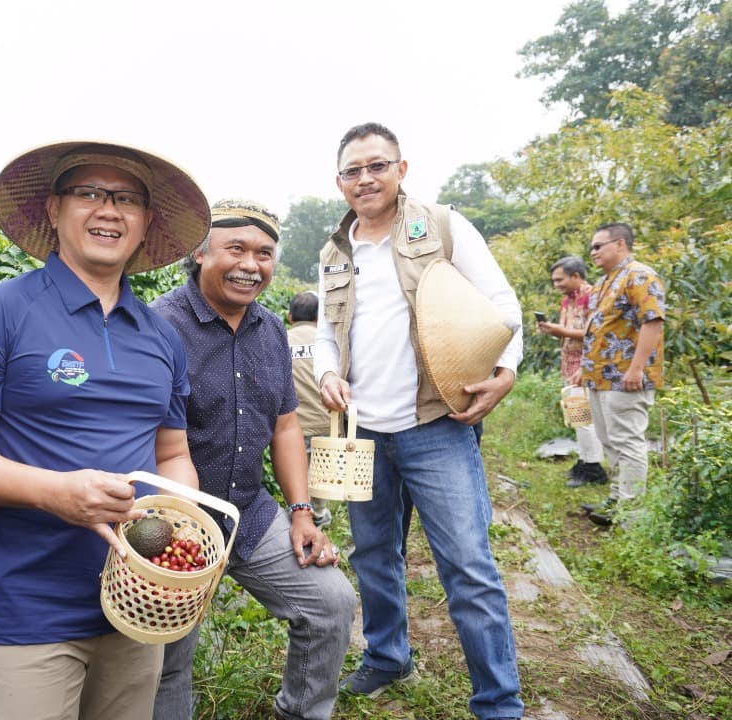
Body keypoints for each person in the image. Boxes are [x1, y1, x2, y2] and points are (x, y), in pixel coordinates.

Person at [0, 140, 210, 720]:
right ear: (53, 210)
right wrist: (55, 492)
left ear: (146, 223)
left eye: (126, 198)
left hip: (135, 604)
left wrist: (179, 534)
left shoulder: (160, 336)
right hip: (25, 606)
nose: (108, 210)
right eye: (89, 193)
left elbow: (172, 453)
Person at [315, 122, 525, 720]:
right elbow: (329, 334)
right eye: (353, 171)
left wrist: (504, 371)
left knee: (468, 566)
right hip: (363, 431)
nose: (366, 179)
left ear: (401, 169)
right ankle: (387, 655)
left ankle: (499, 702)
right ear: (339, 182)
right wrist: (329, 374)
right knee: (374, 554)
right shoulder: (334, 253)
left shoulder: (443, 227)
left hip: (436, 424)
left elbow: (503, 309)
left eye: (377, 165)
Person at [151, 199, 357, 720]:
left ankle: (303, 712)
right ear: (199, 253)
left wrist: (303, 512)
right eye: (235, 248)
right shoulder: (159, 327)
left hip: (249, 509)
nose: (251, 264)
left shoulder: (270, 330)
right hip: (175, 520)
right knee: (167, 658)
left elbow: (286, 423)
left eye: (264, 253)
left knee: (330, 603)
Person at [572, 223, 665, 527]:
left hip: (627, 377)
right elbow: (597, 329)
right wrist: (583, 369)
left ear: (620, 244)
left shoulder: (640, 275)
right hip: (600, 376)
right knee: (608, 439)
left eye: (598, 246)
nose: (593, 252)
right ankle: (616, 499)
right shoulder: (604, 282)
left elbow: (652, 322)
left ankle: (632, 513)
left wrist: (637, 368)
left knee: (628, 441)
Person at [537, 255, 608, 487]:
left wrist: (561, 331)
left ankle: (594, 467)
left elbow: (595, 334)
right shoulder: (567, 300)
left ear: (576, 276)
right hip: (570, 363)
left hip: (587, 364)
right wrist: (554, 331)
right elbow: (568, 331)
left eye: (560, 280)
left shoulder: (592, 297)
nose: (557, 285)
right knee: (577, 415)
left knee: (585, 416)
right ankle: (585, 459)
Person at [286, 291, 333, 528]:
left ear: (289, 316)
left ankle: (296, 509)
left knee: (296, 468)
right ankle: (319, 512)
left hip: (293, 425)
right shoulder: (327, 343)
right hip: (324, 422)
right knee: (320, 471)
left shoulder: (281, 340)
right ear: (318, 318)